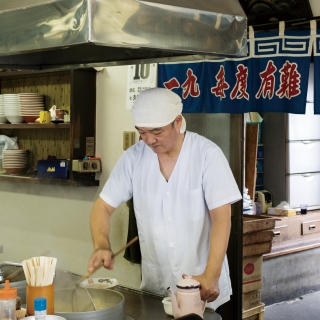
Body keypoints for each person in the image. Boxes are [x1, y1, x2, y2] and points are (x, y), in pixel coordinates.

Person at [87, 87, 242, 311]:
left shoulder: (207, 155)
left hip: (202, 286)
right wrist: (101, 245)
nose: (149, 140)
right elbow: (102, 207)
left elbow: (221, 218)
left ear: (178, 122)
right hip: (156, 288)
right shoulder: (134, 157)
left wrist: (212, 274)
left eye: (156, 131)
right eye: (142, 132)